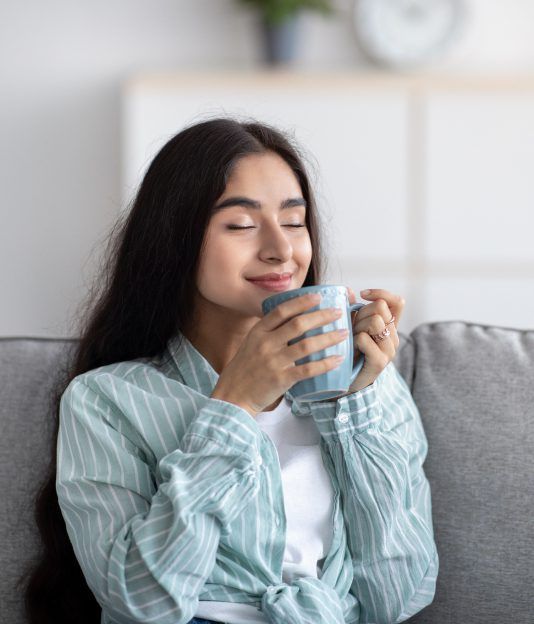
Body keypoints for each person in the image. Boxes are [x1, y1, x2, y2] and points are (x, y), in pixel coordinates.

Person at [22, 117, 438, 624]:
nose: (281, 250)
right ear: (174, 238)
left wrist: (355, 408)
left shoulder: (370, 389)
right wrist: (233, 408)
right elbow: (141, 601)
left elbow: (398, 597)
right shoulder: (106, 400)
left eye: (294, 221)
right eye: (241, 225)